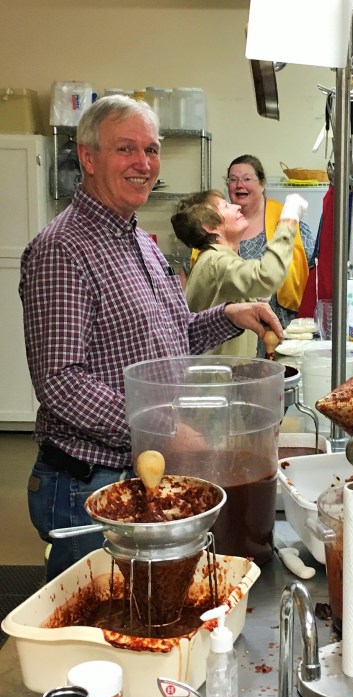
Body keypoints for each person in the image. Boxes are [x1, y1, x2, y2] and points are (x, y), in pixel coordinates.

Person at [19, 95, 286, 582]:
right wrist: (160, 426)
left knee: (146, 615)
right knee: (98, 632)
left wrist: (231, 314)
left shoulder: (139, 241)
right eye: (126, 149)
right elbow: (60, 382)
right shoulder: (62, 250)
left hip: (144, 469)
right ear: (87, 156)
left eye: (152, 149)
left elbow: (174, 333)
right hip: (91, 487)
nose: (144, 164)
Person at [172, 188, 306, 357]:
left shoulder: (221, 259)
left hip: (227, 377)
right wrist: (288, 221)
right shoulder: (214, 261)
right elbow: (267, 276)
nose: (236, 207)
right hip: (216, 381)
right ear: (210, 227)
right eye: (226, 206)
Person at [225, 154, 316, 335]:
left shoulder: (286, 218)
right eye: (233, 179)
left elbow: (315, 270)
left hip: (280, 328)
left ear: (262, 183)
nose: (239, 185)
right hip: (233, 329)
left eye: (247, 179)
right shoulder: (219, 221)